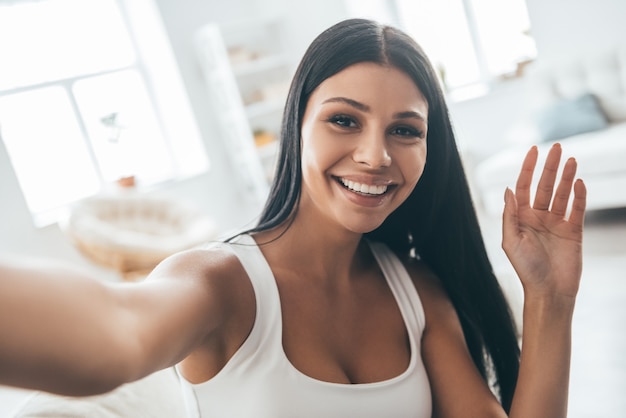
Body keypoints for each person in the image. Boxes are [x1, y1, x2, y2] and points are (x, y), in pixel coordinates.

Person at [0, 18, 586, 418]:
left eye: (405, 130)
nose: (376, 156)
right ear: (296, 127)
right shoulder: (220, 285)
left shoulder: (417, 291)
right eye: (344, 120)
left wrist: (550, 296)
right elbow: (115, 336)